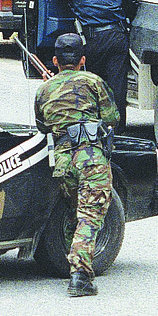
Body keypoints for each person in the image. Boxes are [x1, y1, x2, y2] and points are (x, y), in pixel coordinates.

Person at [34, 33, 119, 297]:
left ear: (55, 60)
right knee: (90, 217)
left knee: (73, 213)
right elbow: (112, 117)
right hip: (91, 159)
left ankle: (69, 261)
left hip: (63, 162)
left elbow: (41, 126)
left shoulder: (44, 90)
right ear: (83, 60)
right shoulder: (94, 82)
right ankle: (80, 276)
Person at [54, 0, 130, 125]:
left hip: (92, 40)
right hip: (117, 37)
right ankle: (117, 129)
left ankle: (94, 126)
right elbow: (127, 5)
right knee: (117, 85)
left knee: (93, 83)